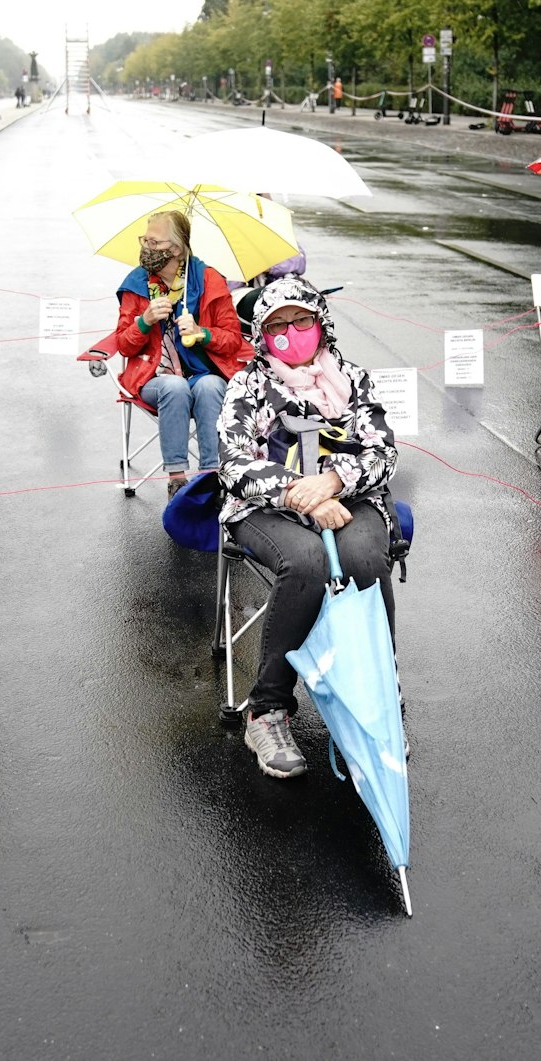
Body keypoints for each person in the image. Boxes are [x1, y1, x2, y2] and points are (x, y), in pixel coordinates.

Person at [217, 277, 399, 778]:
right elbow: (233, 462)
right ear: (260, 334)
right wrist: (303, 492)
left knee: (364, 557)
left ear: (321, 322)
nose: (292, 332)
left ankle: (380, 696)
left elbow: (384, 452)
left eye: (301, 320)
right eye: (276, 325)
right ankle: (267, 709)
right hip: (266, 505)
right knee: (307, 562)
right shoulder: (247, 384)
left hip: (348, 497)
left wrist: (335, 481)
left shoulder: (354, 380)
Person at [112, 210, 247, 496]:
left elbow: (233, 340)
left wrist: (203, 333)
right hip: (154, 377)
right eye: (145, 240)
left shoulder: (208, 280)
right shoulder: (136, 283)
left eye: (155, 243)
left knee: (211, 385)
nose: (147, 248)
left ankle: (212, 476)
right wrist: (144, 321)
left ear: (176, 248)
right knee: (174, 387)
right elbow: (123, 345)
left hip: (203, 372)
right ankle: (177, 478)